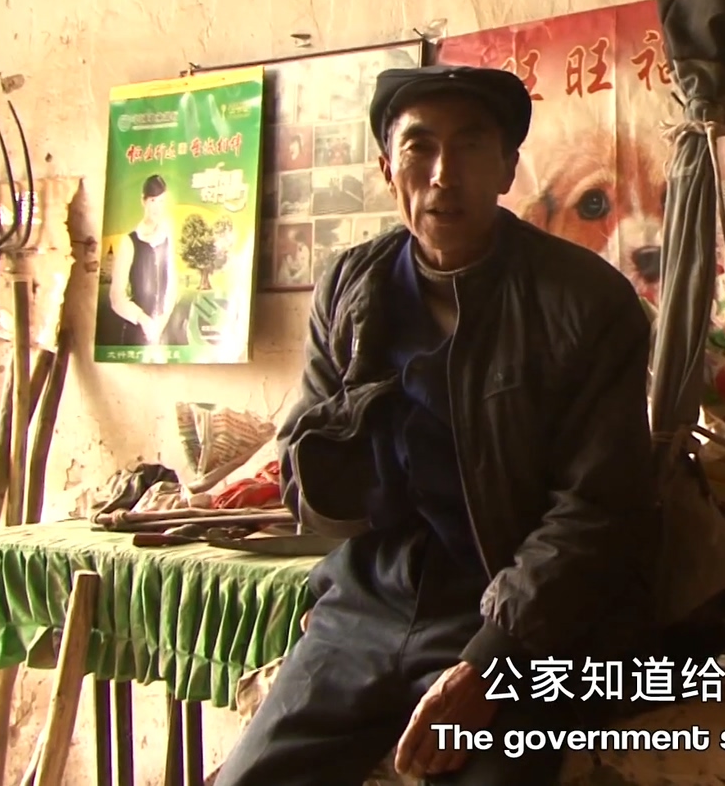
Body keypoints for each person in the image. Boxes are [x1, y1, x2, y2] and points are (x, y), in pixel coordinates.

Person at [213, 66, 660, 786]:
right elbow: (308, 474)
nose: (444, 174)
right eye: (419, 147)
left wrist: (491, 662)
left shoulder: (584, 301)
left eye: (471, 145)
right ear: (387, 168)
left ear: (507, 169)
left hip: (514, 615)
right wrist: (353, 417)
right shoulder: (349, 289)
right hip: (369, 603)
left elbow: (598, 509)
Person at [107, 174, 182, 346]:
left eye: (162, 201)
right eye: (153, 200)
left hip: (164, 330)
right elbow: (116, 296)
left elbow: (172, 286)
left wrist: (162, 320)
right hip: (135, 331)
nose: (157, 207)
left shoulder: (168, 237)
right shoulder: (129, 241)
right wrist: (143, 319)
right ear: (143, 201)